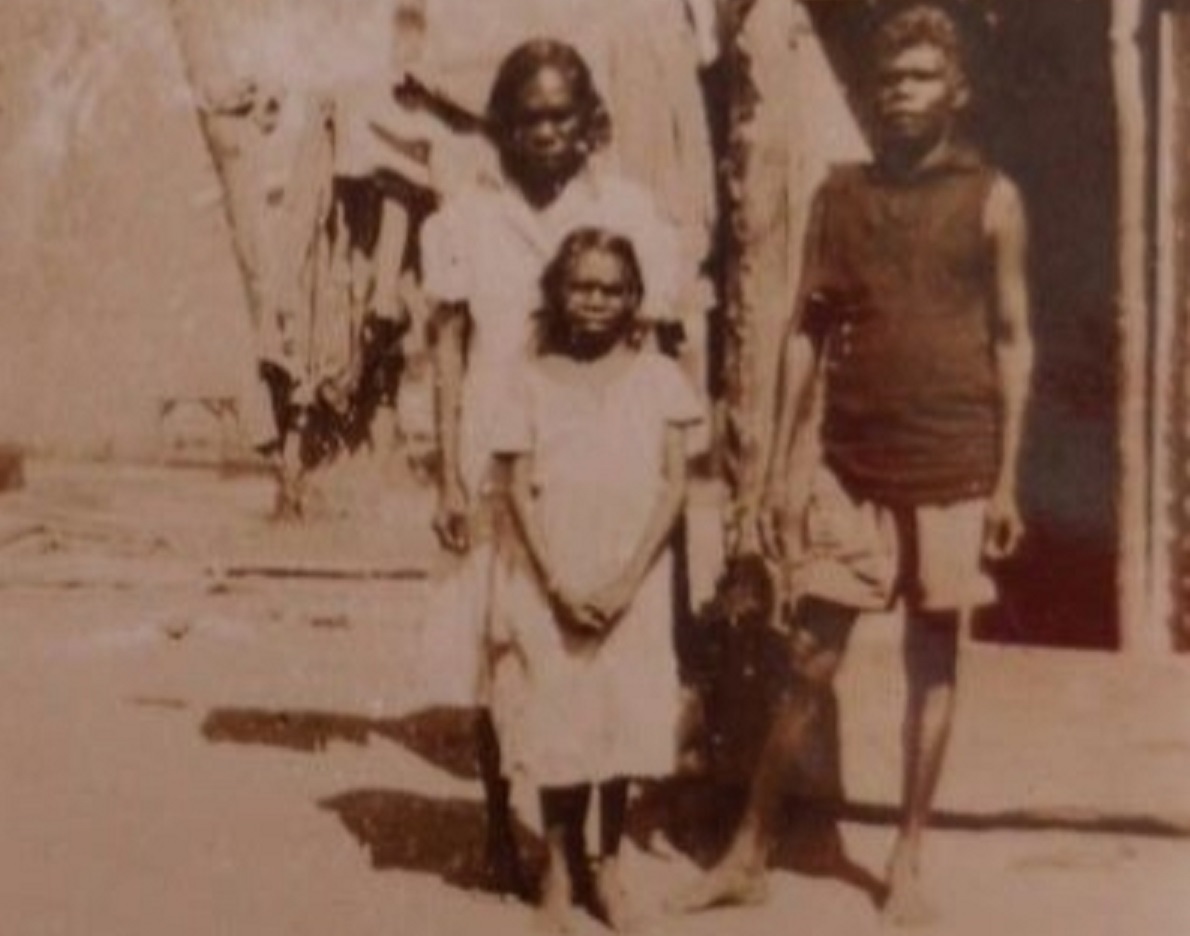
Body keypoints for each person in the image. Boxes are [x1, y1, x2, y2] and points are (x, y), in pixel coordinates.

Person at [677, 2, 1033, 925]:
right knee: (809, 658)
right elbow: (804, 333)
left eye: (919, 78)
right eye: (888, 82)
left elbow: (1012, 339)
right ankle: (750, 849)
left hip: (955, 464)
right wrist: (774, 471)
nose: (900, 95)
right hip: (852, 462)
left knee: (933, 660)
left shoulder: (992, 199)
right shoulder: (839, 197)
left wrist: (1006, 480)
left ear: (955, 91)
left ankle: (907, 857)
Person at [420, 38, 681, 895]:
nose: (544, 133)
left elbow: (655, 345)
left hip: (605, 462)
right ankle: (504, 828)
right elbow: (448, 347)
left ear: (588, 122)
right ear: (503, 124)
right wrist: (448, 476)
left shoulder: (630, 210)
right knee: (499, 644)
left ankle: (601, 854)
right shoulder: (465, 217)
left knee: (605, 652)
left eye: (561, 116)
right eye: (527, 117)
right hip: (496, 457)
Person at [491, 228, 703, 931]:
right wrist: (555, 583)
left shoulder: (660, 378)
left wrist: (628, 579)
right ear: (558, 290)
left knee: (620, 719)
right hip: (554, 572)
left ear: (635, 297)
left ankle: (608, 864)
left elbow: (675, 486)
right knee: (560, 714)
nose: (596, 301)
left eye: (612, 289)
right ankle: (559, 866)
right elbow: (516, 487)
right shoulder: (529, 378)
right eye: (582, 286)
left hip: (632, 576)